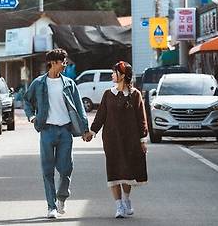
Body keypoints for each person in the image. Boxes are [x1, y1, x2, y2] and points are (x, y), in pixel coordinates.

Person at [24, 48, 90, 219]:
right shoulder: (39, 83)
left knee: (66, 167)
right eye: (62, 62)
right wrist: (32, 117)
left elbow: (79, 108)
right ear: (53, 63)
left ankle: (62, 197)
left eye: (65, 62)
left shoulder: (69, 84)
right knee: (47, 170)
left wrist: (84, 129)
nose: (65, 65)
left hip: (65, 130)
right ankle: (51, 206)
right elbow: (27, 100)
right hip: (46, 131)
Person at [83, 61, 148, 219]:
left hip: (131, 140)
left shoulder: (135, 95)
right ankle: (118, 205)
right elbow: (100, 116)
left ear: (123, 75)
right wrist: (92, 131)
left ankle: (126, 199)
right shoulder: (107, 94)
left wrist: (142, 140)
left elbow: (141, 118)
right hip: (111, 140)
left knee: (126, 171)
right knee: (113, 171)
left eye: (115, 72)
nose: (112, 75)